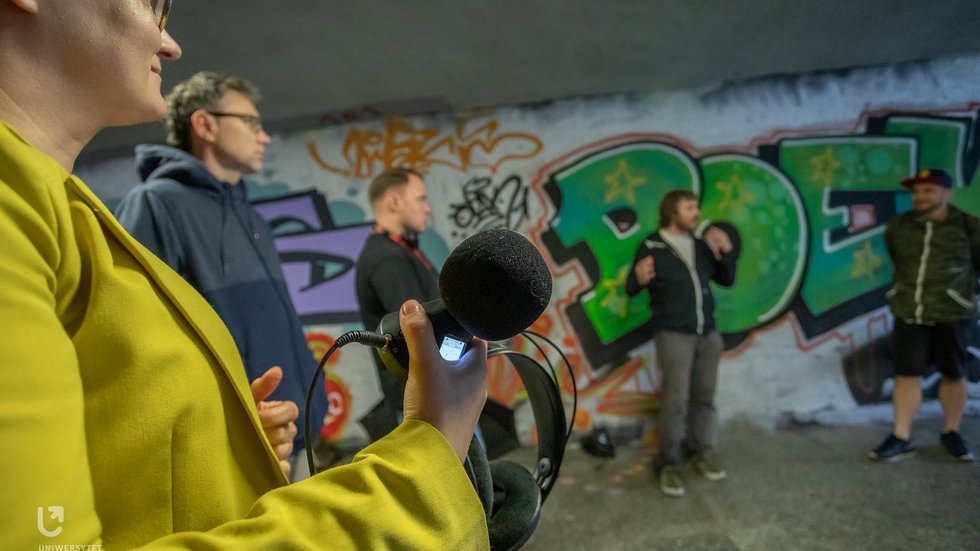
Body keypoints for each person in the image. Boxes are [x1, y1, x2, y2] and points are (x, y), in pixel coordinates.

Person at [0, 1, 489, 549]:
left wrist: (228, 424)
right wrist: (428, 457)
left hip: (273, 436)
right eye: (150, 4)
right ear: (205, 126)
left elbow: (123, 386)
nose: (170, 44)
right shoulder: (139, 207)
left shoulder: (86, 212)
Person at [113, 70, 327, 479]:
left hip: (293, 431)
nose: (263, 137)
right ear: (205, 124)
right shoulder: (155, 206)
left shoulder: (254, 219)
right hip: (232, 440)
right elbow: (138, 337)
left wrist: (313, 401)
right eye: (250, 123)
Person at [625, 189, 738, 498]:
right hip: (674, 334)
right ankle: (668, 464)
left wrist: (727, 253)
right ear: (671, 212)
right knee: (676, 401)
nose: (696, 213)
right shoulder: (651, 245)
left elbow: (727, 280)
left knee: (704, 397)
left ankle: (698, 453)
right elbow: (632, 288)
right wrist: (637, 277)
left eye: (696, 207)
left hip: (708, 335)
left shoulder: (701, 246)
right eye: (690, 208)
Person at [869, 168, 979, 463]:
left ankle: (951, 432)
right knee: (906, 375)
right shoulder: (899, 227)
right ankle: (901, 435)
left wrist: (960, 296)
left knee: (954, 374)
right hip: (910, 313)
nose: (920, 196)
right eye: (916, 191)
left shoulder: (969, 227)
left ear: (947, 194)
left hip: (952, 314)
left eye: (928, 190)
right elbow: (897, 261)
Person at [355, 167, 440, 441]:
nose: (427, 209)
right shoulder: (387, 259)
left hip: (431, 392)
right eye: (421, 199)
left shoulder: (399, 250)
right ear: (394, 202)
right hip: (425, 400)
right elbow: (420, 327)